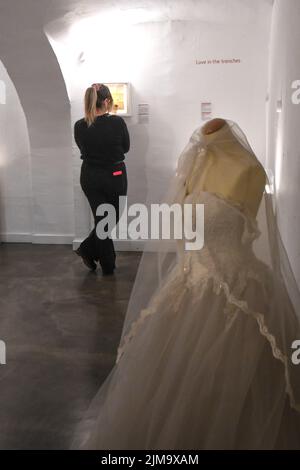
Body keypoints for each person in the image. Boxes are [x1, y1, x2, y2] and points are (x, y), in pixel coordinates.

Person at [77, 119, 300, 449]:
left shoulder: (248, 170)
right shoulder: (194, 163)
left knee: (233, 390)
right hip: (187, 285)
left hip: (238, 296)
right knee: (169, 389)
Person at [74, 83, 130, 275]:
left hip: (90, 176)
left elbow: (84, 149)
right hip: (114, 175)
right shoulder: (117, 123)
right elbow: (126, 147)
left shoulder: (80, 126)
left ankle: (87, 250)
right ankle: (107, 264)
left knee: (102, 220)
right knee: (108, 219)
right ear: (106, 102)